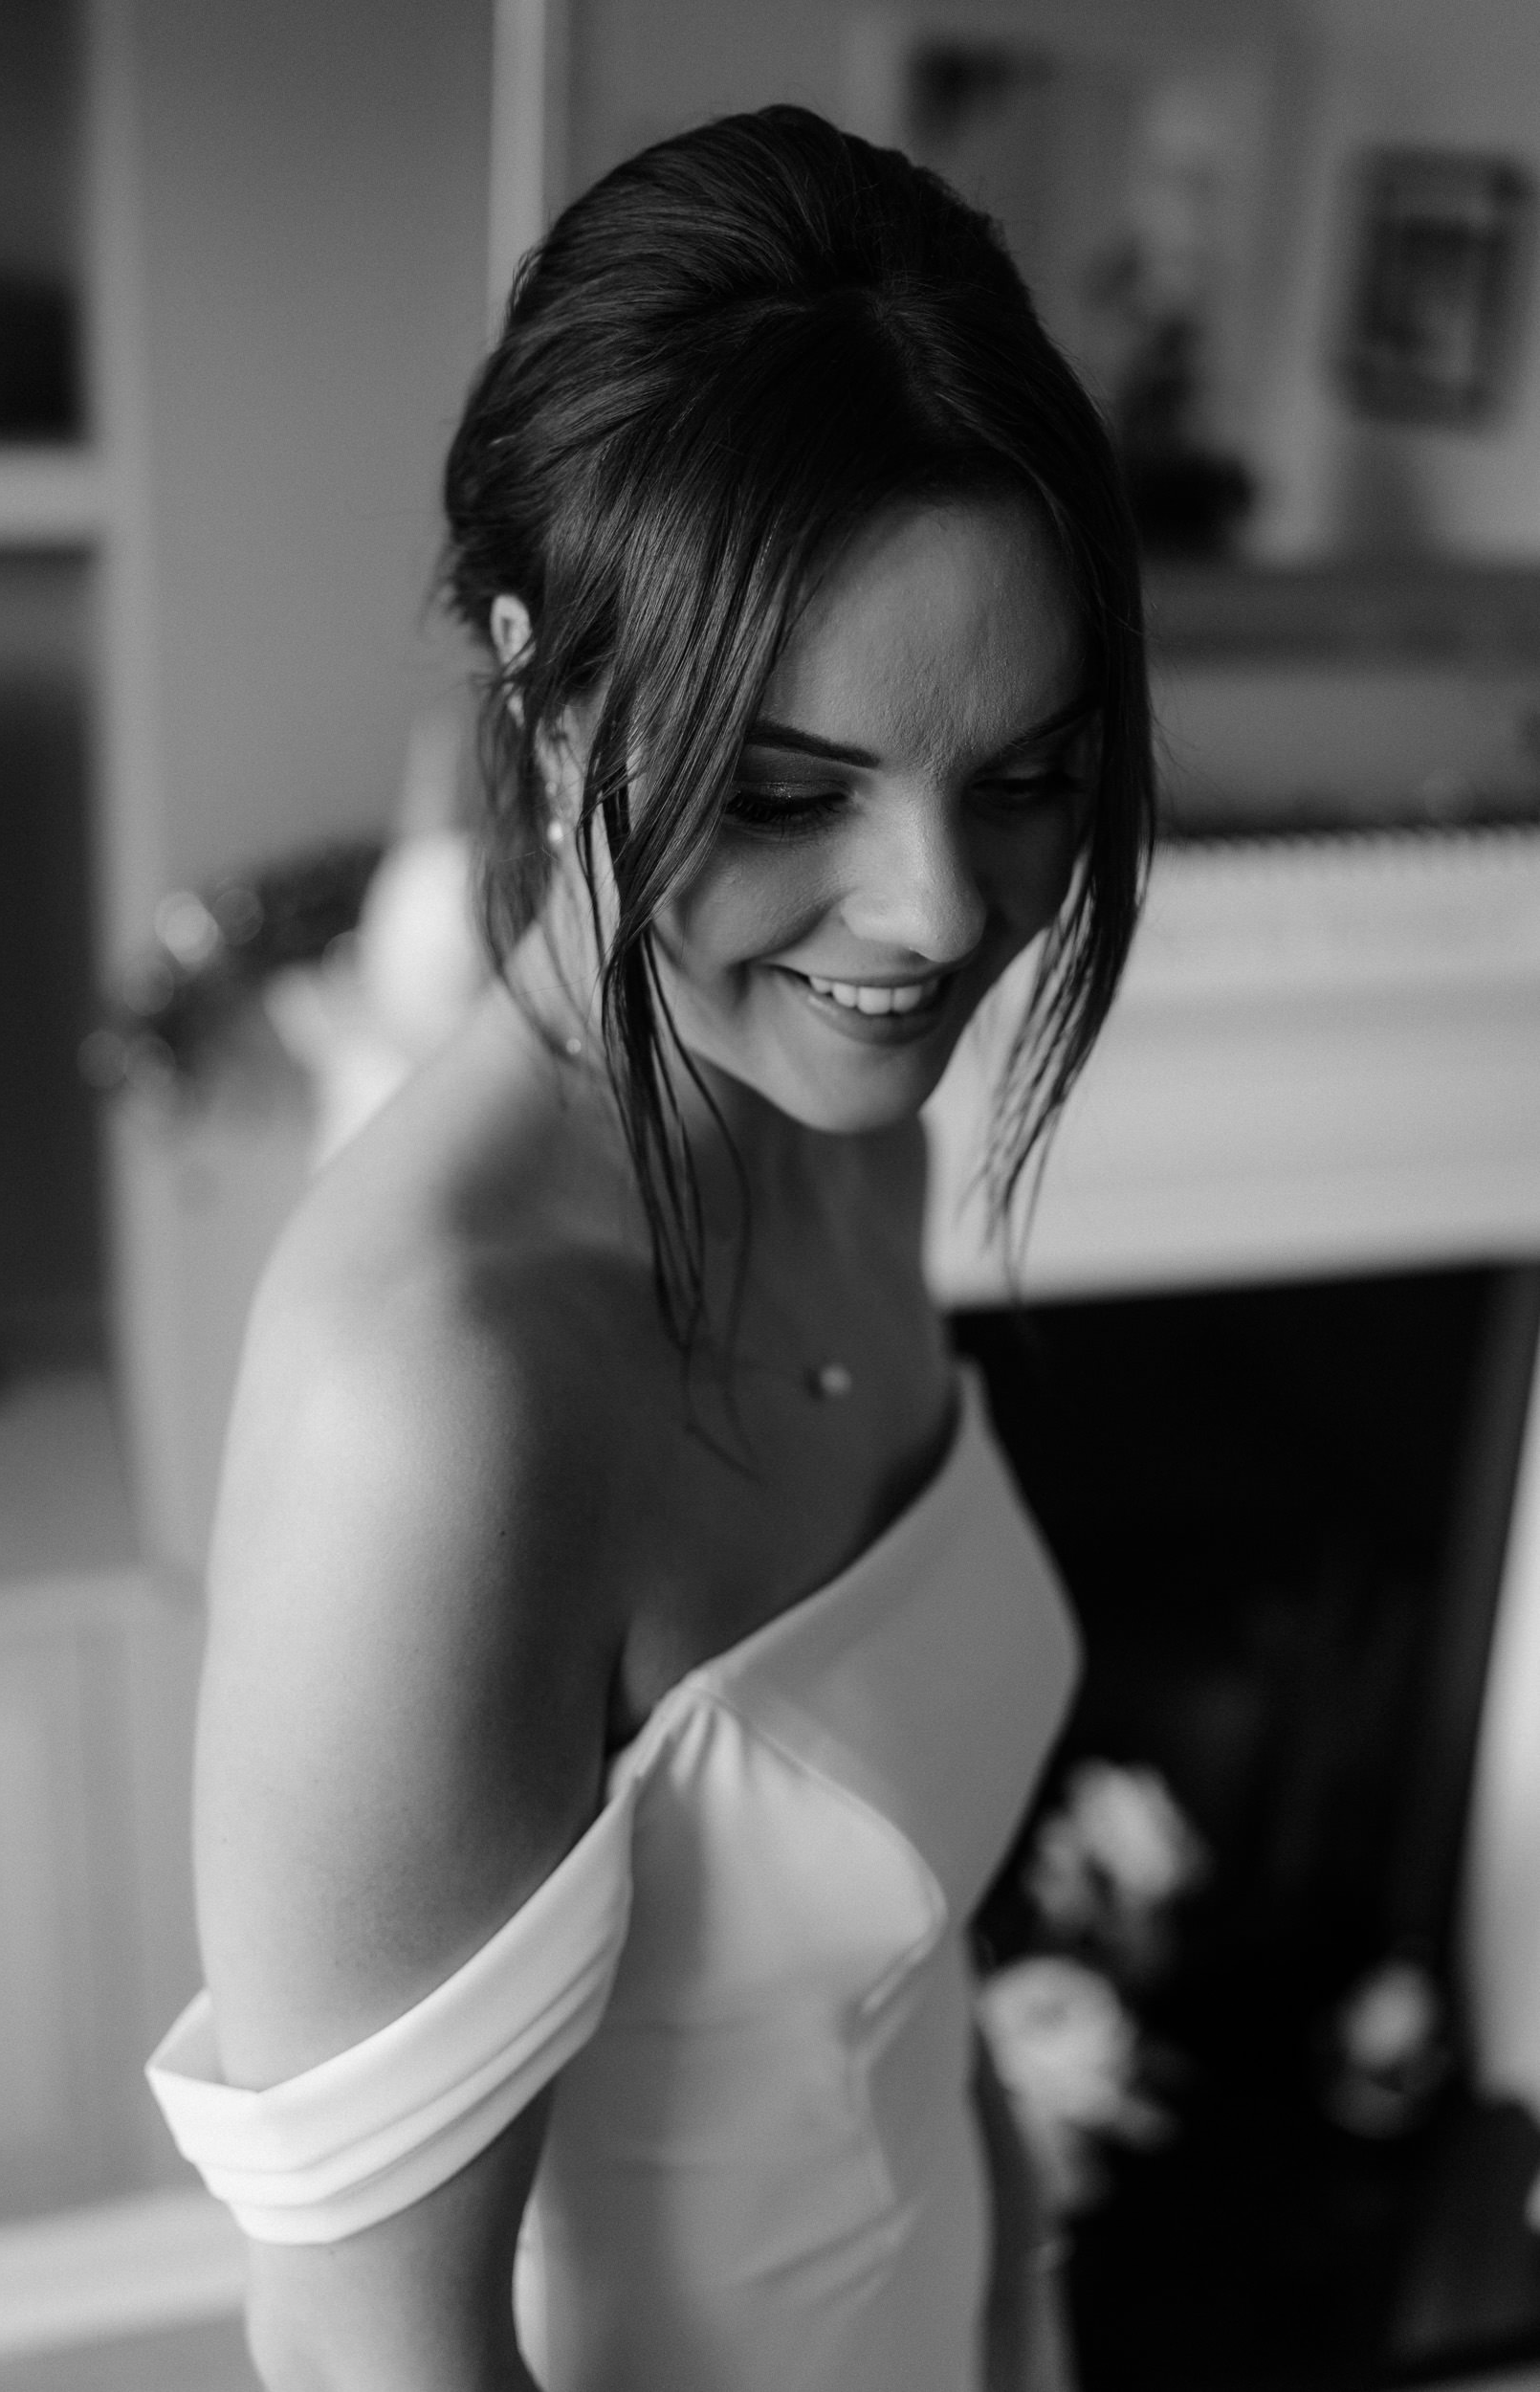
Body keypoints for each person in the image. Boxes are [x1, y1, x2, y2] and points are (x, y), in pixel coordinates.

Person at [146, 104, 1152, 2392]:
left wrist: (1015, 2286)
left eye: (1027, 774)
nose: (939, 916)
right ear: (541, 683)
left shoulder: (841, 1130)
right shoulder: (439, 1394)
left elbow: (893, 1965)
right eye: (787, 790)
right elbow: (375, 2357)